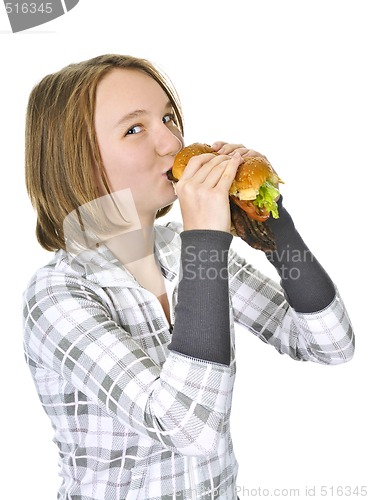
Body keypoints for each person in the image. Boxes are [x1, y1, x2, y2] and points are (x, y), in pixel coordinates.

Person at [23, 54, 354, 500]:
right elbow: (187, 429)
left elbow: (329, 344)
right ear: (76, 159)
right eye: (134, 129)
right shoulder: (57, 294)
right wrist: (205, 243)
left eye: (168, 116)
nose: (172, 142)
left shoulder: (183, 250)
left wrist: (273, 227)